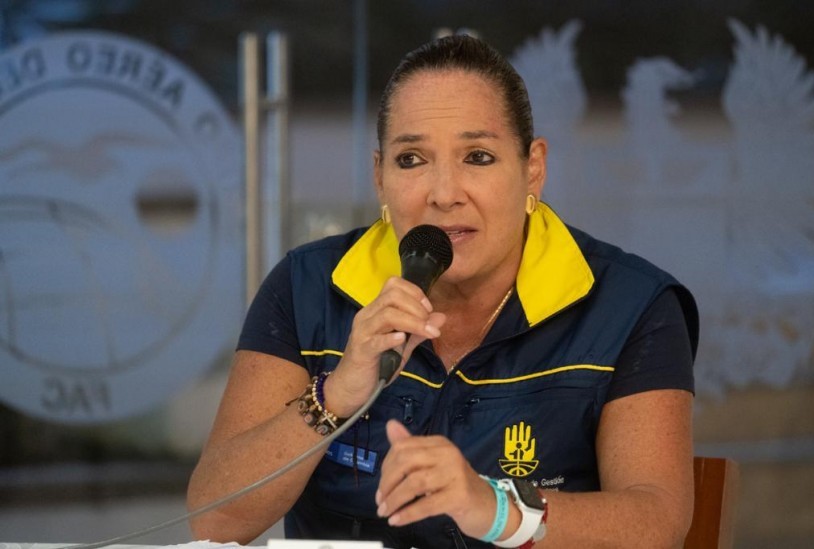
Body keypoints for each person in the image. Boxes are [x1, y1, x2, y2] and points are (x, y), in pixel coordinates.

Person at [187, 34, 699, 549]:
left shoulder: (631, 304)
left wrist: (496, 508)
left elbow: (657, 523)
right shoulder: (306, 287)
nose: (444, 194)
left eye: (478, 156)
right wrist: (336, 394)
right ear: (380, 177)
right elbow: (216, 520)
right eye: (411, 159)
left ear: (533, 169)